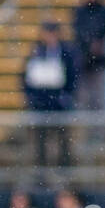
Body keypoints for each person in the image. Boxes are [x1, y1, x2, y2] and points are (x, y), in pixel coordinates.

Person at [23, 21, 78, 167]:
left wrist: (66, 95)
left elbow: (72, 75)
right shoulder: (35, 51)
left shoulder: (66, 52)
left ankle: (64, 168)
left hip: (59, 101)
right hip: (41, 101)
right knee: (40, 139)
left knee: (63, 137)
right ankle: (41, 170)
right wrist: (31, 97)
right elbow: (25, 77)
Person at [73, 0, 105, 112]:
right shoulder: (79, 11)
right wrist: (89, 43)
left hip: (99, 61)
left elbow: (104, 29)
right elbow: (78, 32)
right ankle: (84, 132)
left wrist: (95, 43)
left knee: (99, 100)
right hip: (83, 61)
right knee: (83, 100)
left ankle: (99, 133)